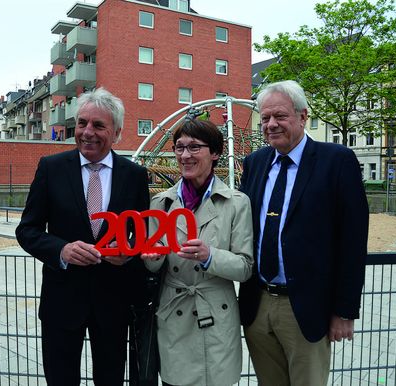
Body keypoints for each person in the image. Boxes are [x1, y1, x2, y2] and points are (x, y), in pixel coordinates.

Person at [16, 87, 150, 386]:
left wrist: (127, 253)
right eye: (81, 123)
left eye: (98, 125)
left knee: (111, 379)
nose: (87, 132)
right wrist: (61, 250)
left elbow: (141, 236)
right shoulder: (51, 168)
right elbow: (27, 230)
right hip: (62, 302)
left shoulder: (134, 175)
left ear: (116, 132)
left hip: (113, 303)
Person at [238, 80, 369, 386]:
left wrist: (344, 310)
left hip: (307, 309)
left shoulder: (336, 161)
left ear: (302, 116)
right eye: (265, 117)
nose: (271, 124)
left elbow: (352, 241)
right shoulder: (255, 163)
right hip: (258, 304)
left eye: (280, 116)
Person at [141, 119, 253, 386]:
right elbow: (153, 266)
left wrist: (210, 256)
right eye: (179, 148)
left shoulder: (236, 203)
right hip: (174, 314)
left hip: (216, 315)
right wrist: (153, 259)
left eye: (194, 147)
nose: (185, 155)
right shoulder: (161, 203)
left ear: (215, 153)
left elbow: (245, 267)